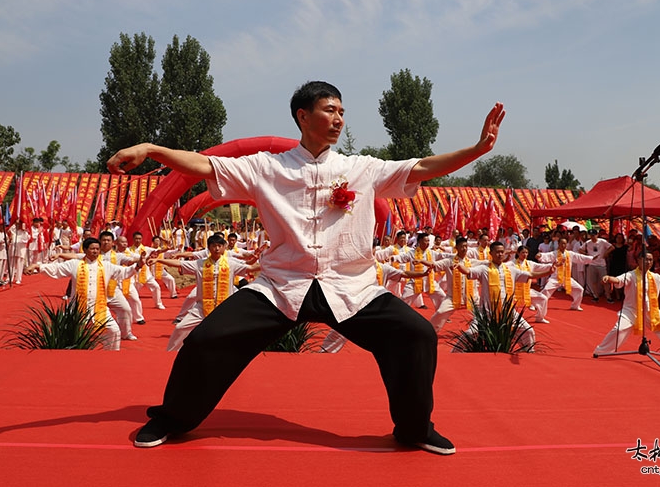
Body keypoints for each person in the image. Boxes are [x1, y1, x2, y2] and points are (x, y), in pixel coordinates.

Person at [107, 81, 505, 455]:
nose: (338, 118)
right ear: (302, 116)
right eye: (329, 110)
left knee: (415, 333)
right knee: (207, 340)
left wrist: (477, 150)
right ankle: (172, 419)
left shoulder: (362, 168)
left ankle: (415, 428)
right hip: (281, 286)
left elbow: (422, 167)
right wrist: (151, 148)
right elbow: (204, 166)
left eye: (342, 111)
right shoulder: (265, 167)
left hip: (352, 288)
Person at [25, 237, 147, 350]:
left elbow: (124, 272)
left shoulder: (106, 266)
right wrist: (37, 266)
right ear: (85, 250)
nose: (95, 251)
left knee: (114, 331)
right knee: (69, 336)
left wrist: (139, 265)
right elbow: (56, 269)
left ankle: (110, 357)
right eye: (92, 249)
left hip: (99, 308)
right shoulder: (75, 264)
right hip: (77, 309)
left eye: (97, 249)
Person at [150, 234, 260, 351]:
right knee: (180, 328)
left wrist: (269, 266)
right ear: (208, 248)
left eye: (219, 246)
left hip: (223, 307)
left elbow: (251, 268)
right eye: (213, 246)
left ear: (223, 248)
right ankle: (170, 353)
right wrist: (158, 260)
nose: (216, 249)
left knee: (235, 331)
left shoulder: (231, 263)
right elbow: (180, 264)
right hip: (202, 307)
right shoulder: (199, 263)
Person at [453, 241, 553, 352]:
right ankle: (456, 353)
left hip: (507, 311)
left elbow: (530, 275)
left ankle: (528, 351)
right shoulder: (484, 269)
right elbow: (469, 271)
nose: (500, 254)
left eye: (502, 252)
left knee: (528, 331)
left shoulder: (511, 270)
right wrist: (460, 267)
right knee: (470, 333)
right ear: (491, 253)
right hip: (487, 311)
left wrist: (548, 271)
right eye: (497, 252)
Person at [593, 253, 660, 355]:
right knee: (618, 329)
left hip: (651, 311)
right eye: (646, 259)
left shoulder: (656, 277)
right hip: (631, 310)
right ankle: (601, 352)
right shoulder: (631, 275)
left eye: (650, 260)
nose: (648, 262)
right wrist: (608, 278)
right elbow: (618, 279)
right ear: (639, 260)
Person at [537, 238, 595, 312]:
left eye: (565, 243)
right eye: (562, 243)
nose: (563, 245)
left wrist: (591, 258)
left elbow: (580, 257)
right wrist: (540, 255)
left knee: (580, 289)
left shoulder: (570, 254)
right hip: (555, 278)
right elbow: (547, 255)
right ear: (559, 244)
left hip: (567, 278)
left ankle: (575, 305)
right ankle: (536, 303)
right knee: (546, 290)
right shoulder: (554, 253)